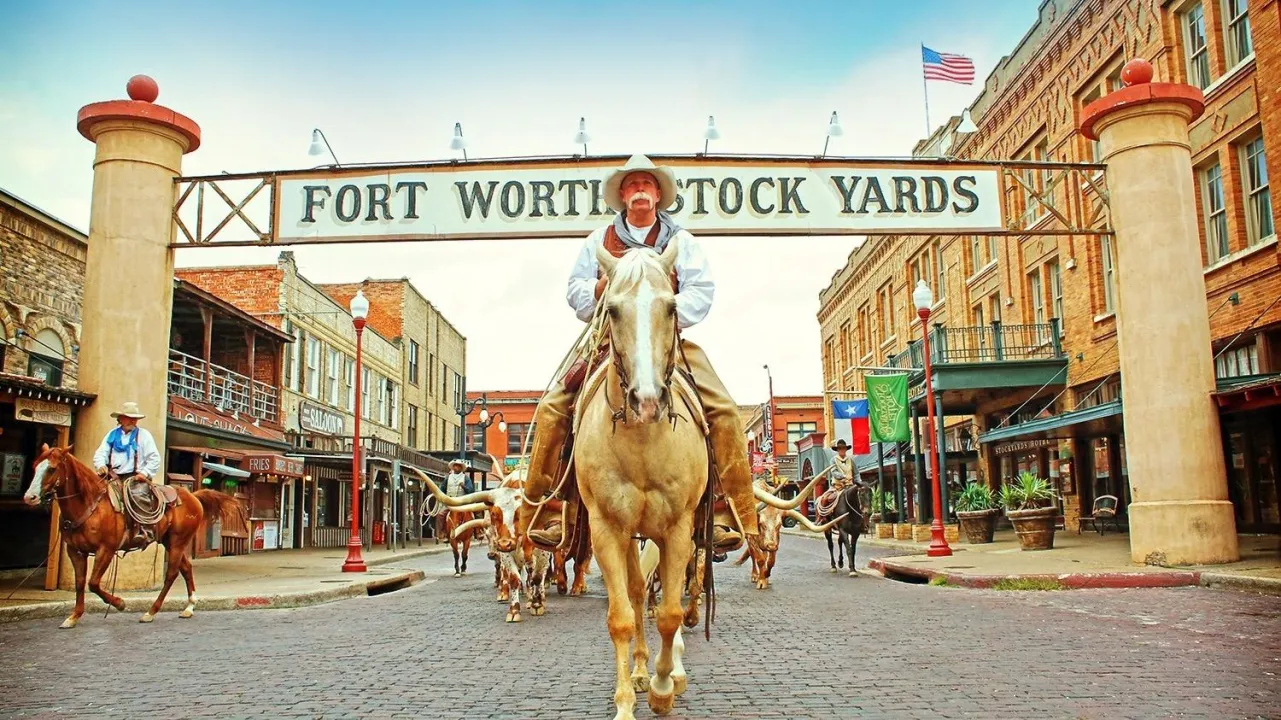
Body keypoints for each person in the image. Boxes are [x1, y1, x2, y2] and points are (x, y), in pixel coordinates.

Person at [516, 154, 759, 553]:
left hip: (668, 341)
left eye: (647, 184)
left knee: (726, 411)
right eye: (632, 185)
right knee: (551, 408)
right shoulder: (598, 241)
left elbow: (702, 291)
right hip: (607, 341)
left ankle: (725, 512)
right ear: (623, 196)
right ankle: (548, 511)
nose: (640, 191)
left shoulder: (683, 241)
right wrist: (604, 293)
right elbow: (575, 290)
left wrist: (660, 310)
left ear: (659, 194)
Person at [92, 401, 162, 547]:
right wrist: (101, 465)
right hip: (113, 476)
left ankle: (145, 531)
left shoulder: (144, 436)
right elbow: (100, 453)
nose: (132, 421)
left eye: (134, 418)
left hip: (135, 477)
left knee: (137, 496)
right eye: (129, 417)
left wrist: (144, 473)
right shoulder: (111, 435)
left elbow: (154, 458)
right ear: (121, 419)